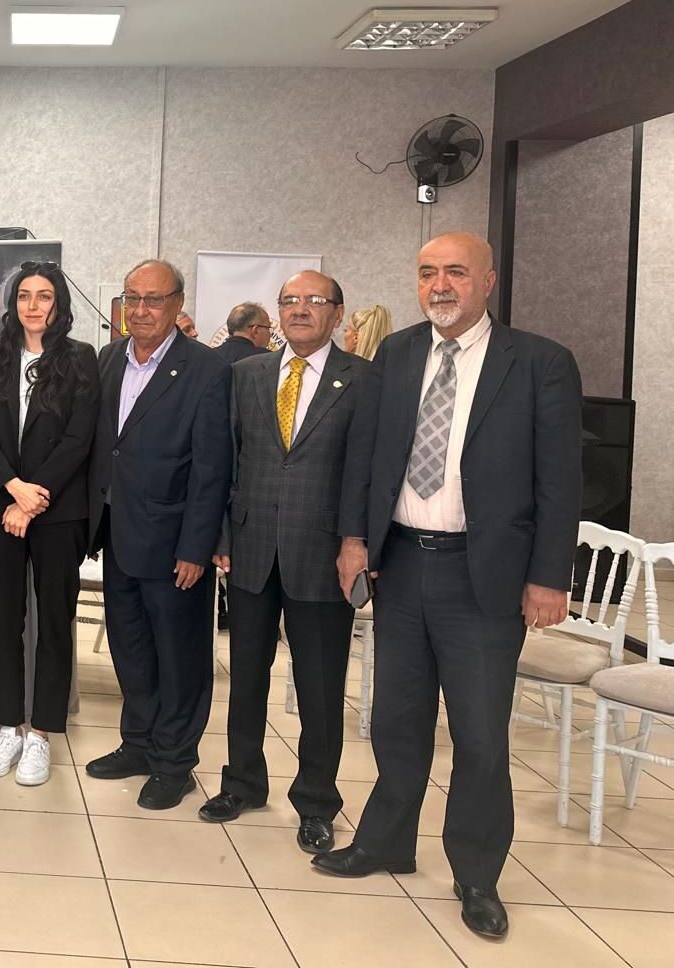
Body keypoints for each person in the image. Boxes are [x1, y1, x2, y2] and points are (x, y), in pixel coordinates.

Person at [318, 233, 581, 941]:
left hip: (484, 576)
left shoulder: (540, 363)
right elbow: (367, 456)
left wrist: (549, 576)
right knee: (396, 720)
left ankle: (476, 874)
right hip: (402, 564)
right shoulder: (397, 353)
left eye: (456, 272)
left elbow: (561, 481)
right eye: (428, 272)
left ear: (487, 281)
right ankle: (385, 842)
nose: (441, 285)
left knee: (479, 734)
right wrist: (354, 539)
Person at [199, 271, 378, 857]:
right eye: (290, 301)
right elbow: (227, 458)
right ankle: (242, 784)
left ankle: (317, 802)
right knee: (245, 676)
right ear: (276, 313)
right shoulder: (247, 373)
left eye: (314, 301)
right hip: (251, 547)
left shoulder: (363, 380)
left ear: (337, 312)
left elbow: (366, 472)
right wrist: (221, 532)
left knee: (320, 687)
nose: (300, 309)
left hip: (323, 554)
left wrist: (356, 542)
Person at [85, 259, 232, 809]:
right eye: (132, 298)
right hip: (118, 534)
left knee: (179, 658)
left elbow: (213, 468)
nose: (141, 310)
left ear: (177, 304)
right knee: (131, 649)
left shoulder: (206, 369)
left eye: (153, 299)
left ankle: (174, 762)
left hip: (174, 545)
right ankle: (139, 744)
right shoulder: (108, 359)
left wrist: (197, 546)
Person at [0, 263, 98, 785]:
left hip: (57, 511)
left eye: (44, 296)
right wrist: (13, 489)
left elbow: (78, 439)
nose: (33, 305)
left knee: (54, 622)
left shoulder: (80, 358)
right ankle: (8, 727)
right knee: (2, 620)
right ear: (12, 304)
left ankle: (42, 733)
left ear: (58, 303)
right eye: (24, 296)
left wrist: (32, 498)